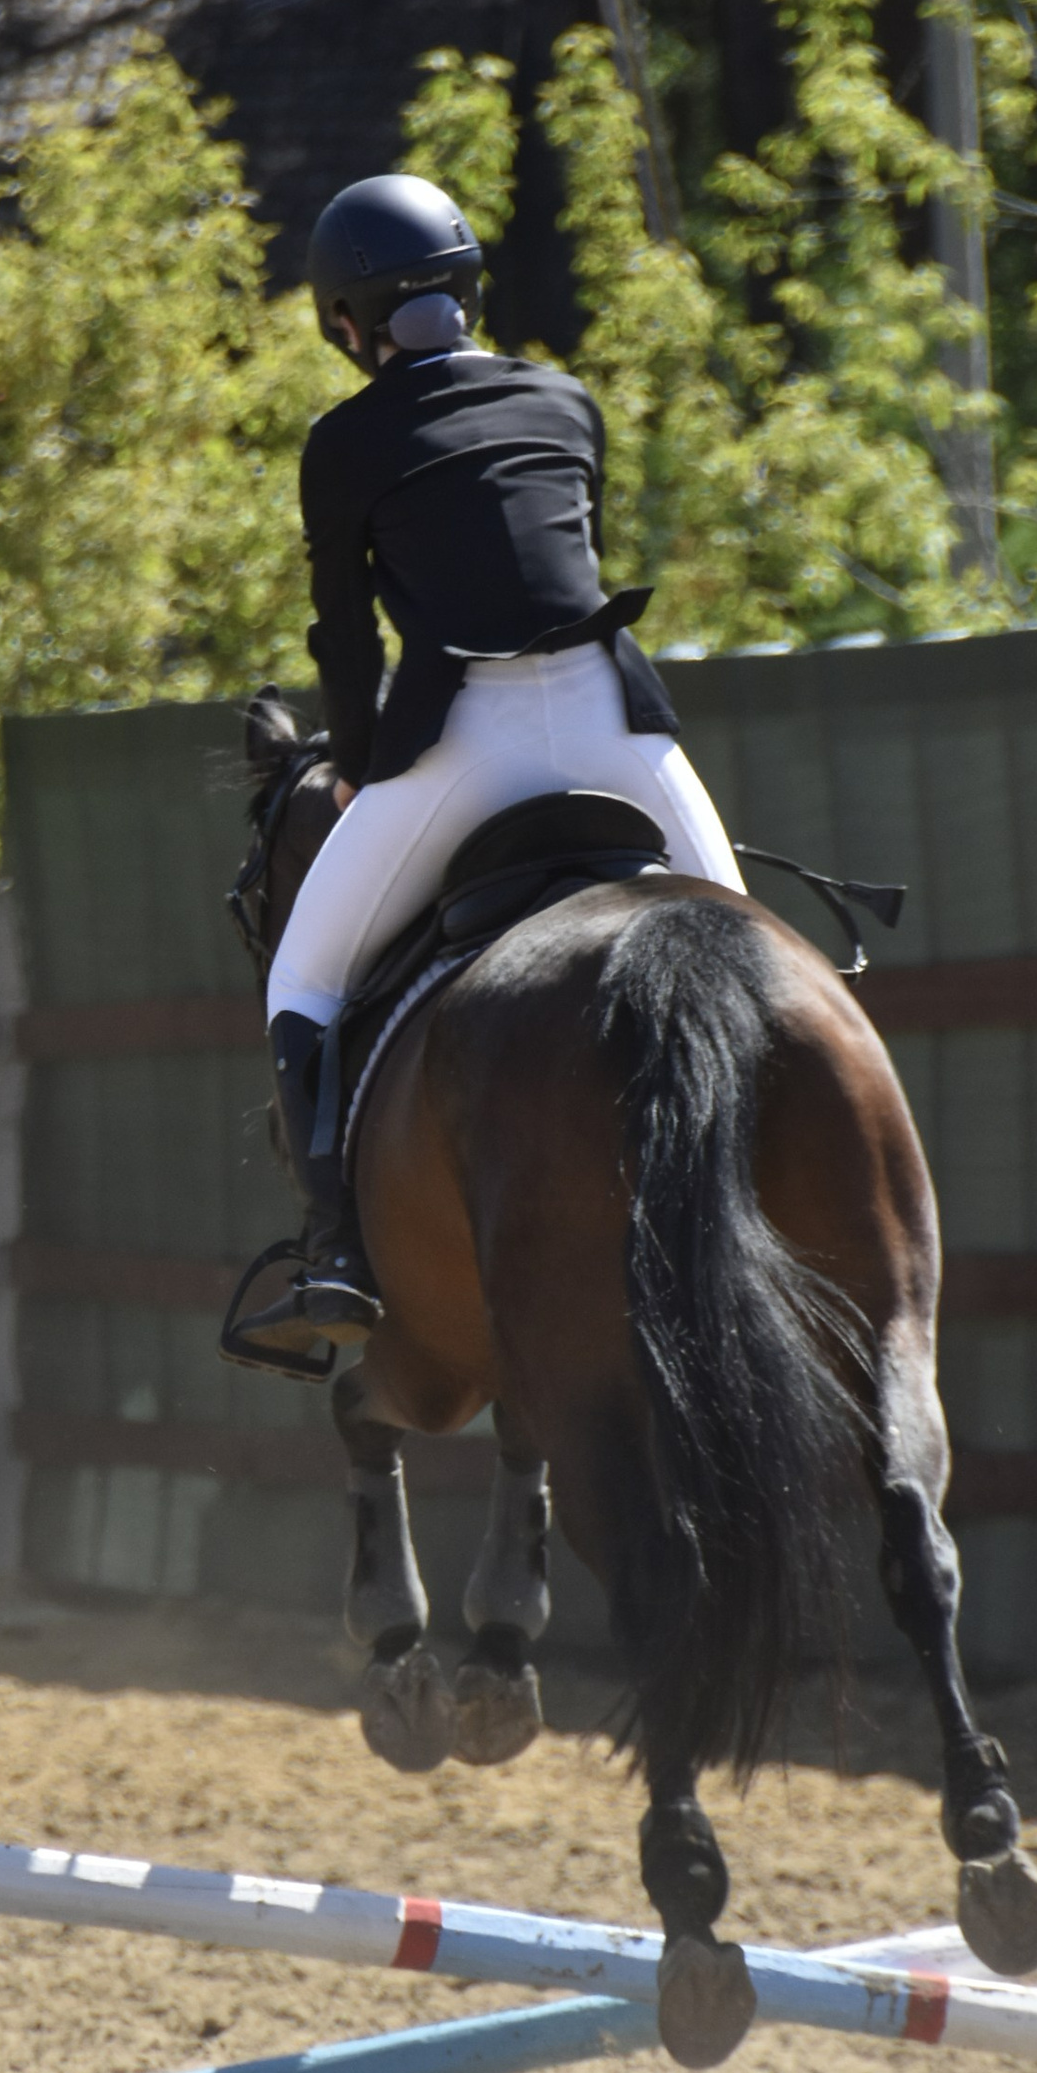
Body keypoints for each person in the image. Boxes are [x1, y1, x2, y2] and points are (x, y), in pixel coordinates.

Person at [231, 170, 742, 1363]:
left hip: (463, 734)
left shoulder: (343, 443)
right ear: (467, 289)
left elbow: (346, 642)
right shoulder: (566, 402)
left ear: (345, 322)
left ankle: (339, 1255)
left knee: (301, 984)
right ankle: (770, 1192)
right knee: (747, 954)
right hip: (619, 724)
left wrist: (356, 769)